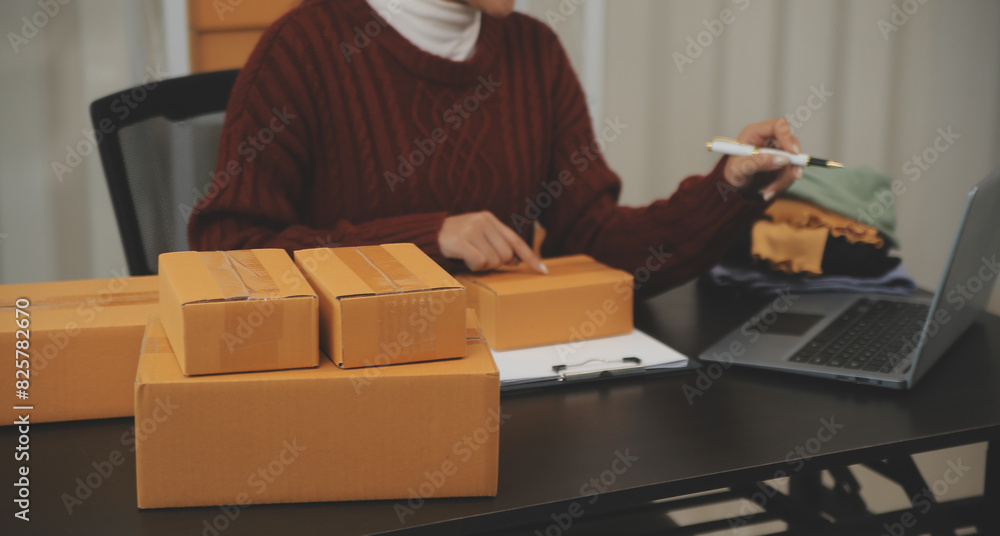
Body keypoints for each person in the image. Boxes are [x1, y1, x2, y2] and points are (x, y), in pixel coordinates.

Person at [187, 0, 802, 298]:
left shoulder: (534, 51)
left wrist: (730, 186)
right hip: (357, 398)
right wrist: (428, 239)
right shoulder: (301, 50)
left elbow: (593, 244)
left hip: (512, 389)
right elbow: (231, 255)